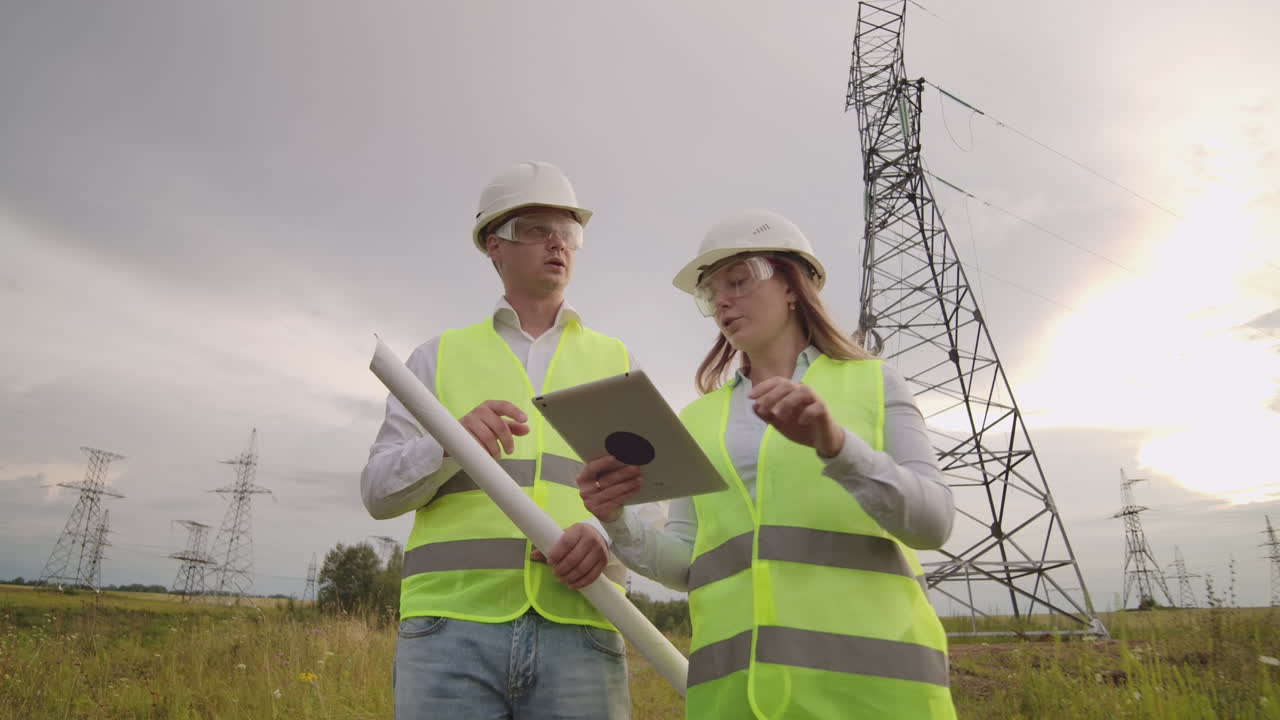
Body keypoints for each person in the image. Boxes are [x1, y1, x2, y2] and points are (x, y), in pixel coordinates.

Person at [578, 210, 957, 718]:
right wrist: (616, 519)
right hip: (734, 700)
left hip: (875, 695)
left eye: (738, 280)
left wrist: (837, 446)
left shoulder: (872, 383)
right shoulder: (698, 419)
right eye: (711, 294)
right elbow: (687, 564)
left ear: (793, 286)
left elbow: (934, 524)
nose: (723, 302)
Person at [362, 161, 632, 719]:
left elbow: (653, 499)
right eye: (537, 229)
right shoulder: (436, 358)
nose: (558, 244)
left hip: (582, 622)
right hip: (449, 630)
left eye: (568, 232)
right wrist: (446, 443)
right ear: (494, 245)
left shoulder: (616, 363)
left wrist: (606, 541)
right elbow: (377, 493)